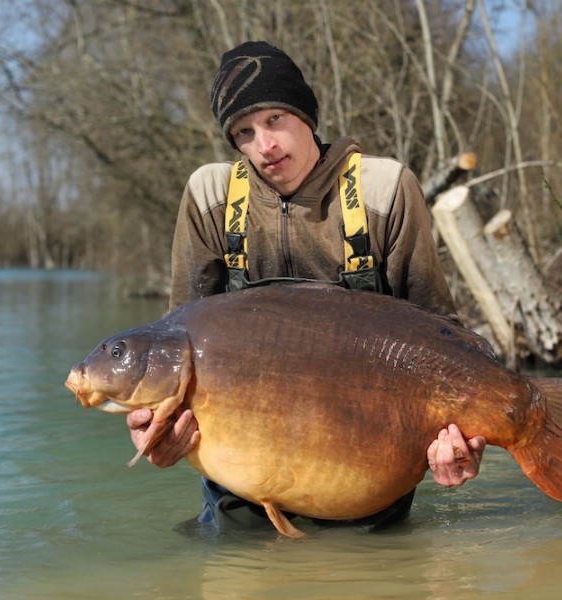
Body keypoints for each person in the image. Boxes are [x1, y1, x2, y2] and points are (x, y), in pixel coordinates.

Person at [127, 40, 486, 531]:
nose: (265, 146)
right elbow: (178, 339)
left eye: (275, 119)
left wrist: (459, 438)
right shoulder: (209, 197)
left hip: (365, 470)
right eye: (244, 132)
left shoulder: (383, 190)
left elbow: (440, 334)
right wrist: (158, 430)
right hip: (242, 476)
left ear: (307, 116)